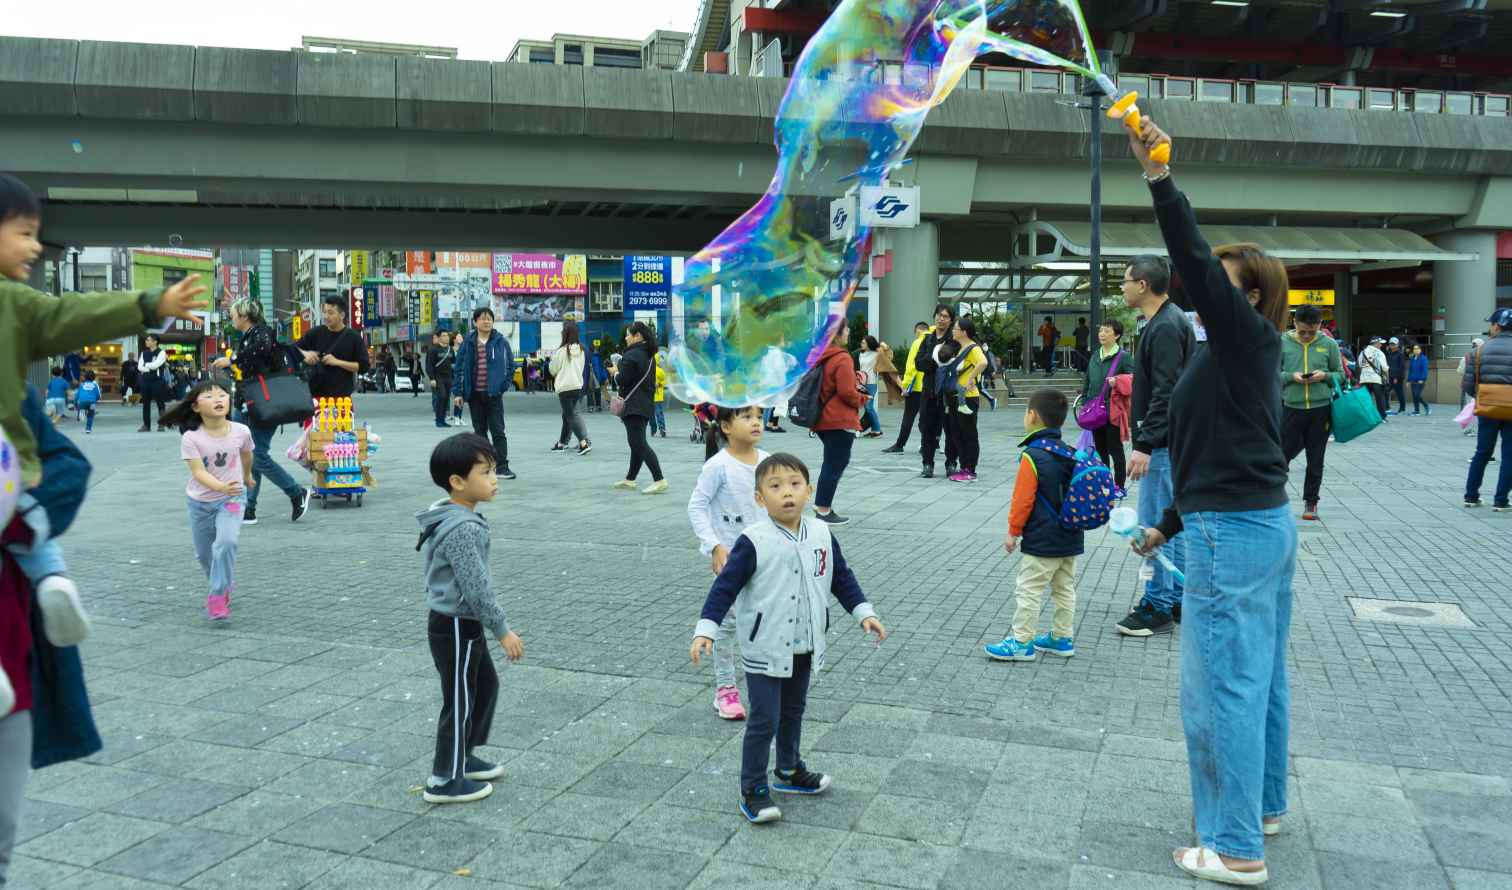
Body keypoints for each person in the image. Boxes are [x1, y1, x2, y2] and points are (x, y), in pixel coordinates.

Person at [1128, 114, 1297, 885]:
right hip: (1245, 521)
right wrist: (1167, 522)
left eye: (1217, 285)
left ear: (1248, 296)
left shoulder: (1243, 338)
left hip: (1236, 533)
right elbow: (1214, 448)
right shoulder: (1229, 354)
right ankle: (1259, 807)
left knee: (1221, 681)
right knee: (1258, 674)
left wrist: (1159, 177)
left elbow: (1190, 260)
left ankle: (1233, 849)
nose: (1199, 291)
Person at [690, 453, 887, 824]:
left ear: (809, 491)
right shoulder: (753, 540)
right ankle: (752, 788)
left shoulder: (822, 533)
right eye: (775, 486)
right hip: (764, 645)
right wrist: (707, 630)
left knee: (793, 711)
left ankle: (788, 769)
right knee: (764, 718)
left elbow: (841, 577)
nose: (787, 494)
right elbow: (724, 588)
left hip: (806, 643)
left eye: (795, 485)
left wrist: (865, 613)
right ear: (760, 498)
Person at [415, 433, 523, 805]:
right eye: (485, 472)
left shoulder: (456, 515)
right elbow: (476, 588)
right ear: (457, 482)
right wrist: (502, 630)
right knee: (459, 699)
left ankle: (464, 755)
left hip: (461, 623)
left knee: (485, 686)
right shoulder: (462, 528)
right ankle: (444, 779)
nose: (493, 479)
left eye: (493, 471)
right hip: (456, 625)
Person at [1117, 253, 1195, 637]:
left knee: (1152, 524)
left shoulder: (1164, 326)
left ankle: (1158, 604)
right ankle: (1176, 597)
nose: (1123, 287)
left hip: (1162, 442)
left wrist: (1144, 443)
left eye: (1126, 280)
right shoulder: (1167, 320)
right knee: (1169, 523)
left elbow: (1166, 391)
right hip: (1172, 439)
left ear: (1143, 284)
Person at [985, 389, 1083, 661]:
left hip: (1041, 539)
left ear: (1032, 416)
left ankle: (1021, 642)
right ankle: (1062, 637)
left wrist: (1013, 532)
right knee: (1064, 588)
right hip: (1071, 536)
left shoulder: (1033, 455)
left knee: (1029, 589)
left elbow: (1022, 500)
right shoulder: (1071, 452)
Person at [687, 405, 769, 721]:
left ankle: (766, 683)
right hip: (732, 559)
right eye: (746, 417)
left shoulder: (768, 461)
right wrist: (714, 546)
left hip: (766, 557)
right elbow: (697, 507)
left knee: (763, 620)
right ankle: (725, 690)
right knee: (725, 624)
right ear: (725, 426)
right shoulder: (718, 466)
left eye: (759, 417)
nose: (756, 423)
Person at [211, 297, 312, 526]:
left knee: (257, 456)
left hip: (265, 405)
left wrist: (232, 359)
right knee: (247, 455)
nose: (232, 317)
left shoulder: (262, 333)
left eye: (234, 313)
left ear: (245, 316)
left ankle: (296, 493)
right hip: (246, 403)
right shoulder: (246, 337)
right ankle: (249, 509)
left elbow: (262, 350)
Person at [161, 380, 254, 622]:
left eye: (222, 395)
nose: (218, 400)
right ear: (195, 407)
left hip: (232, 499)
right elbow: (198, 473)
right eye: (210, 397)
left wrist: (247, 476)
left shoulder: (241, 431)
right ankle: (223, 582)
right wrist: (221, 485)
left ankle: (217, 595)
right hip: (200, 502)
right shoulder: (192, 438)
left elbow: (246, 454)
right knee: (205, 555)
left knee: (226, 542)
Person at [1279, 304, 1343, 522]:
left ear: (1320, 325)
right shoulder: (1282, 343)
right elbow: (1270, 374)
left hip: (1320, 410)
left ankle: (1311, 501)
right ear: (1294, 323)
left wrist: (1324, 376)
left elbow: (1341, 375)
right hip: (1291, 408)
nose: (1306, 336)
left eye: (1311, 331)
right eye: (1302, 331)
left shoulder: (1329, 344)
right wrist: (1290, 377)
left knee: (1316, 458)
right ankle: (1273, 499)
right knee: (1280, 457)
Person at [451, 307, 517, 481]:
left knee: (498, 431)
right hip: (474, 395)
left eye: (489, 318)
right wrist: (458, 392)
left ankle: (502, 466)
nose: (486, 321)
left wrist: (503, 385)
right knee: (479, 432)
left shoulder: (501, 341)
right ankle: (485, 467)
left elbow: (511, 365)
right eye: (482, 318)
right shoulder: (468, 342)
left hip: (494, 395)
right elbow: (458, 368)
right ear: (475, 322)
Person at [813, 323, 865, 523]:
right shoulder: (842, 358)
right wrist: (861, 399)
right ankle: (823, 509)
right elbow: (846, 392)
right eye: (846, 330)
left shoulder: (821, 356)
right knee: (835, 465)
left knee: (831, 463)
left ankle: (822, 505)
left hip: (822, 418)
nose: (849, 332)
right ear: (837, 334)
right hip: (839, 418)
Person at [1463, 308, 1512, 510]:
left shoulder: (1479, 351)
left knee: (1482, 452)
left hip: (1487, 408)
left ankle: (1471, 496)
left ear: (1497, 325)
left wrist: (1483, 397)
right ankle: (1501, 500)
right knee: (1509, 455)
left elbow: (1467, 385)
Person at [612, 321, 666, 494]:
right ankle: (630, 479)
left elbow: (623, 380)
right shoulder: (648, 354)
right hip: (644, 404)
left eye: (628, 334)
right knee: (637, 442)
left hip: (633, 405)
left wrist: (615, 373)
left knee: (638, 443)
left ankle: (659, 479)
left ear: (637, 336)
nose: (626, 338)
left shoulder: (632, 354)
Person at [1084, 320, 1134, 488]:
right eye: (1101, 331)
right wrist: (1085, 403)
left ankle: (1119, 486)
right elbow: (1088, 381)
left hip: (1113, 411)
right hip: (1095, 411)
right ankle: (1105, 483)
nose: (1102, 334)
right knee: (1101, 450)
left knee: (1115, 449)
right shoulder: (1095, 355)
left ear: (1117, 335)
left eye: (1106, 331)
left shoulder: (1124, 357)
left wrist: (1118, 381)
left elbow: (1136, 379)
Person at [297, 296, 369, 402]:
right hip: (314, 399)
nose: (326, 316)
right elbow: (292, 349)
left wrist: (337, 362)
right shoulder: (315, 333)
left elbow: (363, 366)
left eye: (330, 313)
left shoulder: (354, 337)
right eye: (325, 312)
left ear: (342, 315)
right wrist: (304, 354)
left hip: (341, 400)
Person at [915, 305, 957, 478]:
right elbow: (919, 364)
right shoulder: (927, 339)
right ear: (934, 317)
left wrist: (935, 361)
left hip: (948, 392)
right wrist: (936, 358)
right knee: (927, 428)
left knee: (951, 429)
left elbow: (954, 362)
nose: (942, 319)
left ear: (951, 320)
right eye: (939, 315)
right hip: (929, 391)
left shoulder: (954, 340)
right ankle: (927, 464)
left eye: (946, 316)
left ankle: (951, 463)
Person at [946, 318, 987, 483]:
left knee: (969, 433)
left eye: (955, 328)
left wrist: (971, 378)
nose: (953, 331)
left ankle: (970, 469)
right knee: (957, 433)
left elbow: (983, 362)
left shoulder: (973, 348)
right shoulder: (959, 347)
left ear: (964, 331)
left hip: (968, 398)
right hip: (956, 397)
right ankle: (964, 467)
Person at [883, 322, 930, 455]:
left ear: (918, 331)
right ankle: (930, 444)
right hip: (930, 387)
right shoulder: (935, 342)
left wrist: (905, 386)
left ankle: (900, 444)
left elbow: (911, 367)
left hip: (915, 388)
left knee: (908, 417)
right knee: (927, 417)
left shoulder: (917, 342)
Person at [548, 320, 592, 455]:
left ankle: (584, 443)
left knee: (570, 415)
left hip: (565, 388)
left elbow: (552, 369)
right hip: (577, 386)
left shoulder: (562, 351)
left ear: (565, 334)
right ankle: (562, 443)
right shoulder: (581, 350)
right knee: (567, 415)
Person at [136, 333, 170, 431]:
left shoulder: (161, 352)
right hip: (145, 381)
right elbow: (139, 367)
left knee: (160, 403)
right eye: (146, 340)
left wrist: (146, 365)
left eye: (149, 340)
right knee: (145, 404)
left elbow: (156, 365)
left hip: (157, 381)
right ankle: (146, 425)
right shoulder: (144, 353)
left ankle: (162, 424)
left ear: (155, 342)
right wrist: (149, 367)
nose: (146, 342)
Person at [426, 330, 455, 429]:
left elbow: (453, 363)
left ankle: (443, 420)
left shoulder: (450, 349)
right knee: (441, 397)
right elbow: (429, 365)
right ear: (438, 338)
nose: (446, 337)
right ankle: (438, 420)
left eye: (447, 335)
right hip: (438, 378)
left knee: (446, 399)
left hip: (449, 377)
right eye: (444, 335)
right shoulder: (433, 350)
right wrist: (432, 378)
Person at [857, 336, 883, 438]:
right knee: (867, 408)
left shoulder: (877, 354)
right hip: (862, 383)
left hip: (871, 383)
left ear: (869, 344)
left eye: (863, 343)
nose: (861, 344)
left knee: (869, 407)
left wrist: (883, 346)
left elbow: (888, 354)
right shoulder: (861, 354)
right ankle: (874, 429)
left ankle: (877, 430)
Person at [1359, 336, 1390, 420]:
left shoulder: (1363, 352)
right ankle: (1382, 416)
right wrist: (1387, 377)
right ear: (1376, 343)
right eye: (1380, 343)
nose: (1381, 345)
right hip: (1376, 379)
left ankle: (1367, 417)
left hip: (1364, 379)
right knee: (1380, 399)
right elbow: (1384, 367)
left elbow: (1359, 364)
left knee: (1366, 399)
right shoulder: (1379, 352)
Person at [874, 337, 902, 406]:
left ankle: (898, 395)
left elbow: (890, 357)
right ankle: (891, 398)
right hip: (885, 369)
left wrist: (886, 347)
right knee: (890, 383)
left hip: (889, 368)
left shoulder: (882, 349)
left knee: (895, 382)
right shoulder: (879, 350)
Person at [1385, 337, 1407, 416]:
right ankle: (1387, 408)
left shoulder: (1400, 354)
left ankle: (1402, 409)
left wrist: (1396, 377)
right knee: (1386, 392)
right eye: (1391, 344)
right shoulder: (1389, 354)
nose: (1392, 346)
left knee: (1399, 393)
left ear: (1397, 345)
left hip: (1397, 377)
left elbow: (1401, 367)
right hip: (1390, 376)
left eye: (1393, 344)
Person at [1408, 344, 1430, 415]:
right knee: (1414, 395)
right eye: (1414, 349)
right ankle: (1416, 410)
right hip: (1413, 379)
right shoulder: (1412, 359)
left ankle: (1426, 405)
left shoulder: (1423, 358)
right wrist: (1408, 380)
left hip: (1420, 380)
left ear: (1420, 350)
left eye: (1417, 349)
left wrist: (1422, 379)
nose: (1415, 350)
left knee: (1417, 394)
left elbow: (1425, 370)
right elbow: (1410, 370)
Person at [450, 332, 467, 424]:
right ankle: (456, 417)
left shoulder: (464, 350)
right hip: (453, 376)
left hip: (462, 376)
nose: (461, 338)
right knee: (457, 396)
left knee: (462, 397)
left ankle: (459, 417)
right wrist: (456, 366)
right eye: (459, 336)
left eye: (461, 336)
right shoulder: (450, 350)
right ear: (454, 339)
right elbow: (448, 364)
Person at [652, 354, 669, 437]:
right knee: (658, 413)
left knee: (656, 413)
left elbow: (664, 381)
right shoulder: (658, 370)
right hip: (654, 395)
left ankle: (659, 428)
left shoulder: (659, 371)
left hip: (656, 395)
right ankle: (660, 428)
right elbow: (665, 381)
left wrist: (658, 384)